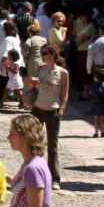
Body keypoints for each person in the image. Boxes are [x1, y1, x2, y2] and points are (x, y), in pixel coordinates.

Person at [5, 114, 54, 207]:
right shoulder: (28, 163)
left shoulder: (33, 168)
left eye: (12, 133)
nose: (8, 137)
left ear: (25, 137)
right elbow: (16, 184)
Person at [31, 46, 69, 190]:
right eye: (42, 54)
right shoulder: (40, 69)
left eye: (45, 54)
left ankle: (55, 178)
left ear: (53, 54)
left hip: (52, 110)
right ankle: (36, 173)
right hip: (38, 108)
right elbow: (35, 87)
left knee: (53, 146)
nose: (43, 56)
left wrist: (62, 108)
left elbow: (65, 93)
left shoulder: (63, 72)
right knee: (35, 142)